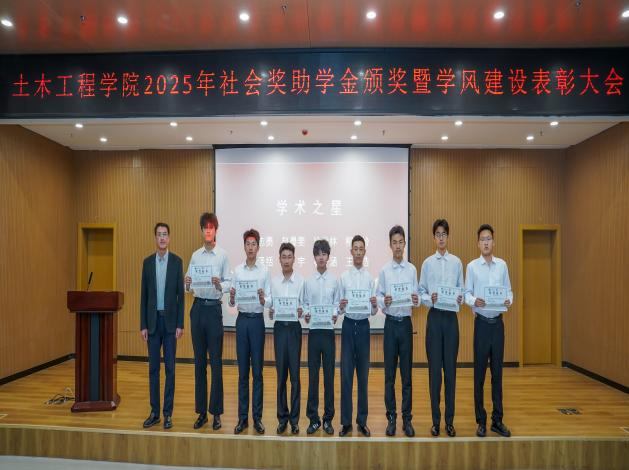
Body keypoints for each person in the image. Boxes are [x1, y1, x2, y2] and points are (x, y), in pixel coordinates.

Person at [464, 224, 513, 438]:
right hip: (482, 325)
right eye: (482, 239)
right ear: (478, 243)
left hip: (498, 326)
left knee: (497, 374)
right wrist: (475, 300)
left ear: (493, 242)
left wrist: (508, 300)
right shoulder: (472, 267)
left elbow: (509, 291)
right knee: (479, 375)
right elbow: (466, 293)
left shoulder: (502, 265)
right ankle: (481, 421)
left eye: (489, 239)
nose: (486, 242)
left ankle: (497, 420)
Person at [184, 212, 231, 430]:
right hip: (197, 310)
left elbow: (229, 283)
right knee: (199, 363)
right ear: (201, 231)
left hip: (213, 311)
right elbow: (187, 285)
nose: (208, 231)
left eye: (212, 228)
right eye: (205, 228)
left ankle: (216, 413)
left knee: (216, 363)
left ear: (216, 231)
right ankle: (201, 412)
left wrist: (220, 284)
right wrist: (186, 282)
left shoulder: (223, 255)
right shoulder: (195, 256)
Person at [418, 219, 464, 437]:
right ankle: (436, 421)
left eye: (444, 234)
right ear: (434, 237)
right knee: (434, 373)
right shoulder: (427, 263)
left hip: (451, 320)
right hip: (435, 318)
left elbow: (462, 291)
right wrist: (431, 299)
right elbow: (421, 292)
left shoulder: (457, 262)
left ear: (448, 236)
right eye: (438, 234)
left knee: (451, 372)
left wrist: (459, 297)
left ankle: (450, 421)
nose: (441, 237)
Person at [140, 222, 184, 430]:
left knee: (170, 370)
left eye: (165, 234)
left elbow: (180, 296)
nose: (162, 238)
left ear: (169, 238)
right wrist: (143, 324)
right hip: (152, 323)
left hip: (170, 324)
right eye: (159, 234)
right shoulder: (147, 263)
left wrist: (180, 324)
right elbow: (144, 296)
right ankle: (154, 412)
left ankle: (167, 414)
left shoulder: (177, 262)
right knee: (153, 369)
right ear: (155, 238)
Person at [376, 225, 419, 437]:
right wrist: (384, 301)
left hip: (406, 325)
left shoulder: (412, 270)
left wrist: (415, 299)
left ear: (405, 244)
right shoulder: (384, 271)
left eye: (401, 242)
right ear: (390, 245)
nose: (398, 246)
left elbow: (417, 298)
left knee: (407, 375)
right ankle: (391, 418)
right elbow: (378, 297)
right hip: (391, 324)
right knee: (390, 376)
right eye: (394, 242)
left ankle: (407, 419)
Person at [229, 228, 270, 435]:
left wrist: (264, 299)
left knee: (258, 373)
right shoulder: (237, 271)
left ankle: (257, 418)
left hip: (257, 322)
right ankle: (242, 418)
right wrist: (232, 297)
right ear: (244, 247)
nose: (251, 247)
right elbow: (232, 302)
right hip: (242, 321)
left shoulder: (264, 271)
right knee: (243, 372)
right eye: (248, 244)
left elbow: (269, 300)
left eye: (254, 244)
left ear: (258, 247)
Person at [338, 235, 378, 437]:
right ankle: (346, 422)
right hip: (348, 326)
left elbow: (373, 311)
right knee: (346, 376)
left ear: (365, 252)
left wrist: (374, 305)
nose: (359, 252)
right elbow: (339, 308)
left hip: (363, 327)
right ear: (351, 252)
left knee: (363, 376)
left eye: (361, 249)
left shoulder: (371, 279)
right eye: (355, 248)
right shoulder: (344, 277)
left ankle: (362, 421)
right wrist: (341, 305)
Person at [268, 242, 305, 435]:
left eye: (290, 257)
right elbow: (270, 305)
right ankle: (282, 418)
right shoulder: (274, 282)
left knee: (295, 377)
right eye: (284, 257)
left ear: (294, 259)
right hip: (280, 329)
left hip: (294, 330)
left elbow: (305, 305)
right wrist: (271, 310)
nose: (287, 260)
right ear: (279, 259)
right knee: (281, 376)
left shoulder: (301, 281)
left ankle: (295, 420)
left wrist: (302, 310)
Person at [304, 239, 339, 435]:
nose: (321, 257)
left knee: (329, 377)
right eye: (318, 254)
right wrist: (306, 314)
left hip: (328, 333)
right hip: (314, 333)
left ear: (328, 256)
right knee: (313, 377)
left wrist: (335, 313)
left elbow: (337, 305)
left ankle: (328, 419)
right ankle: (313, 419)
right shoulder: (308, 281)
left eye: (324, 253)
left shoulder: (334, 281)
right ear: (314, 257)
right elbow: (305, 305)